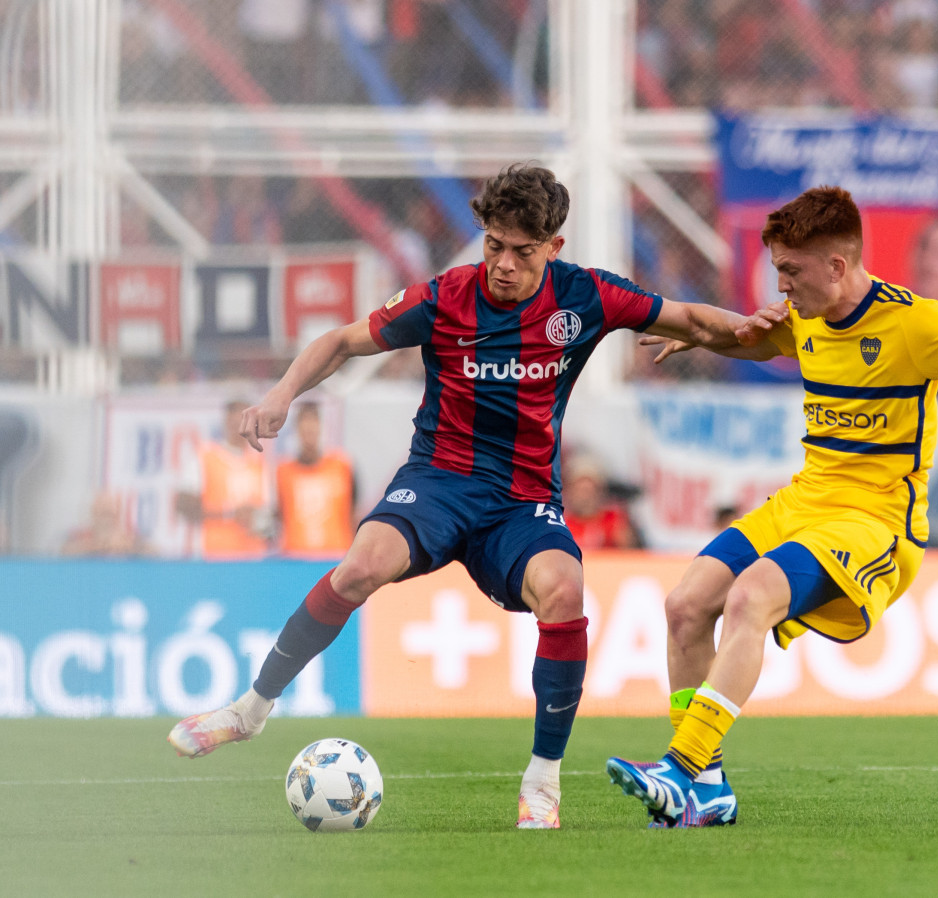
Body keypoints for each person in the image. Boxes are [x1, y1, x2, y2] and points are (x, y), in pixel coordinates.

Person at [166, 163, 751, 830]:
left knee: (564, 589)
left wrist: (785, 332)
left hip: (523, 499)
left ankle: (543, 783)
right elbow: (339, 342)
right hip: (439, 482)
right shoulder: (446, 297)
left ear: (553, 248)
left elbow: (696, 319)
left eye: (521, 252)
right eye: (493, 245)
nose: (503, 264)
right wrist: (280, 394)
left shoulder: (587, 296)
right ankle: (249, 711)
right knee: (359, 566)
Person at [606, 185, 938, 828]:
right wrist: (714, 340)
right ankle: (710, 786)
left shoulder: (915, 323)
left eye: (790, 270)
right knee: (685, 605)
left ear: (837, 266)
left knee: (752, 596)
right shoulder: (806, 312)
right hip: (806, 499)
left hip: (876, 521)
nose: (780, 285)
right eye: (779, 269)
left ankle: (678, 769)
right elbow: (758, 339)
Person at [174, 400, 272, 560]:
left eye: (244, 421)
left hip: (254, 558)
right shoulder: (204, 457)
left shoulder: (259, 464)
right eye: (235, 419)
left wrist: (257, 521)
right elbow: (183, 506)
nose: (239, 426)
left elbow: (269, 515)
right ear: (226, 421)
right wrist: (230, 514)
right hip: (215, 557)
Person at [275, 401, 357, 559]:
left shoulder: (342, 466)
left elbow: (354, 510)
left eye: (313, 424)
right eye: (304, 425)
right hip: (294, 556)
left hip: (335, 555)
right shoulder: (283, 471)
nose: (309, 431)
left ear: (321, 427)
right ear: (297, 430)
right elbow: (278, 513)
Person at [560, 454, 640, 550]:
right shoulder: (562, 523)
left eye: (589, 490)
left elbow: (631, 553)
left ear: (599, 491)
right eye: (580, 490)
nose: (585, 497)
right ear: (570, 491)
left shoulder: (613, 519)